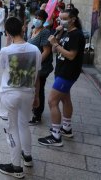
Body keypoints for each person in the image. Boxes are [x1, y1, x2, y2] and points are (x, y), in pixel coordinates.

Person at [0, 17, 41, 178]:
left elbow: (2, 68)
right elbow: (37, 74)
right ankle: (27, 157)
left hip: (9, 93)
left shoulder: (6, 51)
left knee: (11, 128)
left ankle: (16, 167)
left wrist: (8, 43)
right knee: (24, 125)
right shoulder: (35, 50)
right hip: (28, 93)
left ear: (7, 32)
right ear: (23, 29)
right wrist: (36, 95)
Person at [38, 8, 85, 147]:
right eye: (60, 18)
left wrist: (56, 44)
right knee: (65, 98)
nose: (61, 20)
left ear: (73, 19)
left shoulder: (77, 34)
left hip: (68, 72)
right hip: (61, 70)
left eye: (64, 18)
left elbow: (71, 55)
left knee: (52, 101)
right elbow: (54, 50)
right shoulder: (65, 32)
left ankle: (56, 135)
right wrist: (57, 36)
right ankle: (66, 128)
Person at [27, 10, 53, 125]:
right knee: (33, 88)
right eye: (36, 16)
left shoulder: (45, 32)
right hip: (32, 65)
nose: (37, 19)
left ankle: (37, 114)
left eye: (40, 18)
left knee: (39, 89)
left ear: (44, 20)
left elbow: (46, 51)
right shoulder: (33, 30)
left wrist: (36, 63)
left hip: (41, 67)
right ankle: (34, 108)